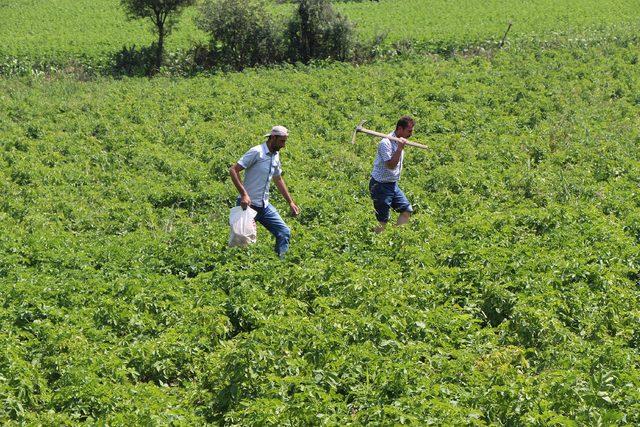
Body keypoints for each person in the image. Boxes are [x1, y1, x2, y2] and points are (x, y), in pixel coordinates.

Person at [229, 125, 300, 258]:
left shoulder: (276, 155)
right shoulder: (257, 152)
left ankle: (280, 263)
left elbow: (278, 178)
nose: (284, 145)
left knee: (284, 232)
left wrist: (290, 202)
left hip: (264, 206)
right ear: (273, 137)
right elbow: (234, 170)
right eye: (282, 141)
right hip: (247, 205)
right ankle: (240, 268)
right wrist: (244, 194)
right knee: (243, 241)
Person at [369, 116, 415, 233]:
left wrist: (400, 146)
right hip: (380, 186)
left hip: (392, 184)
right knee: (382, 220)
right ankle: (374, 241)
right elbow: (391, 165)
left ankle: (395, 236)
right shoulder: (385, 143)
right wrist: (399, 148)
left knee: (406, 210)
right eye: (409, 131)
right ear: (400, 129)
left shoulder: (399, 140)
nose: (411, 134)